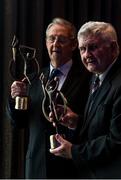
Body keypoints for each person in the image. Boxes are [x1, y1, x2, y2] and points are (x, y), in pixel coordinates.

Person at [6, 17, 90, 179]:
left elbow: (94, 123)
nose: (55, 44)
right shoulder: (32, 79)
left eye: (62, 39)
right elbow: (19, 123)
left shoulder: (88, 79)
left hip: (71, 168)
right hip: (36, 167)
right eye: (52, 38)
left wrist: (75, 121)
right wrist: (16, 98)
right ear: (46, 42)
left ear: (73, 45)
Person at [49, 21, 121, 178]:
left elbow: (117, 141)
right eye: (83, 49)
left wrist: (73, 151)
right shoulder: (95, 78)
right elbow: (102, 126)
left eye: (93, 47)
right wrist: (76, 121)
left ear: (114, 48)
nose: (87, 55)